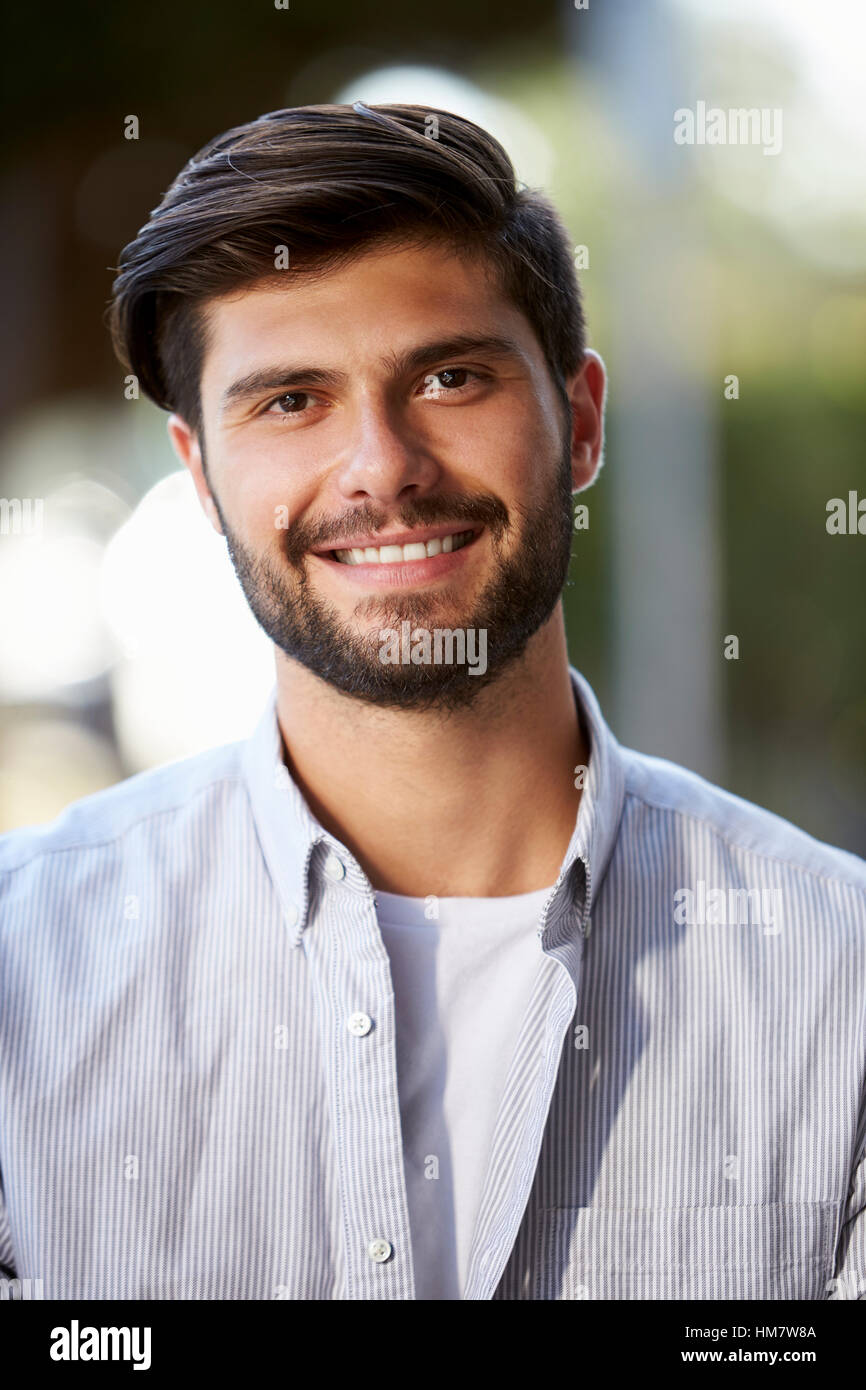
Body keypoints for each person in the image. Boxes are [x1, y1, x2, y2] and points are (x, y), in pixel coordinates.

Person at [0, 103, 863, 1302]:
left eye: (450, 376)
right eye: (289, 401)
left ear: (582, 420)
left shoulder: (840, 979)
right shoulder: (19, 972)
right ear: (200, 473)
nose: (382, 466)